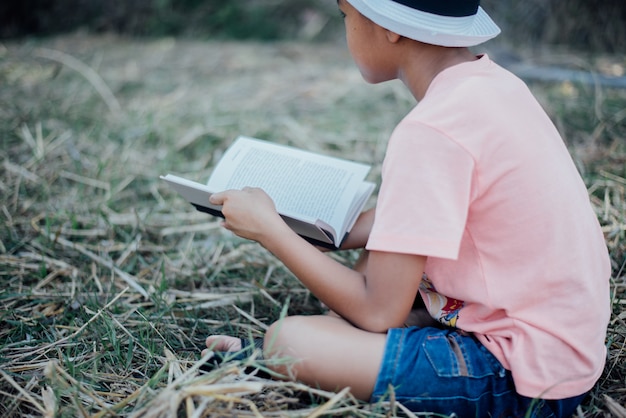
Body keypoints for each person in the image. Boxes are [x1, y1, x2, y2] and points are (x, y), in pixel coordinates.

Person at [203, 0, 611, 416]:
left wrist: (272, 230)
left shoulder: (429, 131)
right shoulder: (496, 85)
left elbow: (379, 312)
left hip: (518, 377)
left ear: (390, 27)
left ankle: (297, 354)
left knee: (286, 342)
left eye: (347, 16)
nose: (346, 28)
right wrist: (335, 232)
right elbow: (433, 212)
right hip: (561, 350)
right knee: (375, 256)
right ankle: (336, 348)